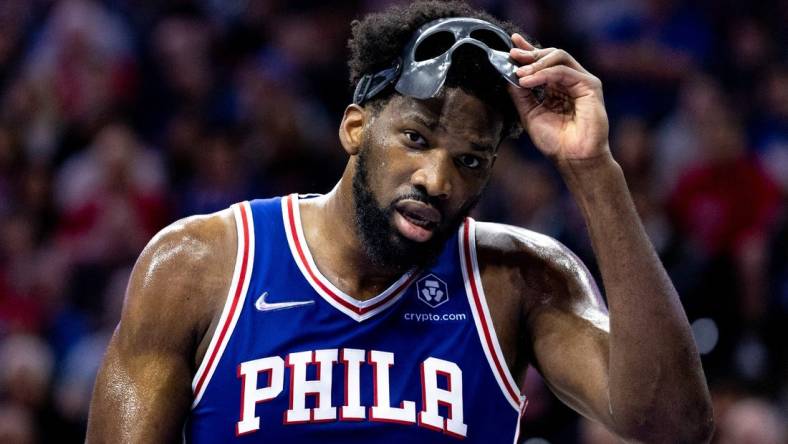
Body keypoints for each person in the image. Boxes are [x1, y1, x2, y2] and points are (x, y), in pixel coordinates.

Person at [86, 2, 713, 442]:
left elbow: (672, 424)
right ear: (356, 128)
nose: (438, 180)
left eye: (470, 159)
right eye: (416, 137)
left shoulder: (521, 279)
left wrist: (592, 169)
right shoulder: (199, 265)